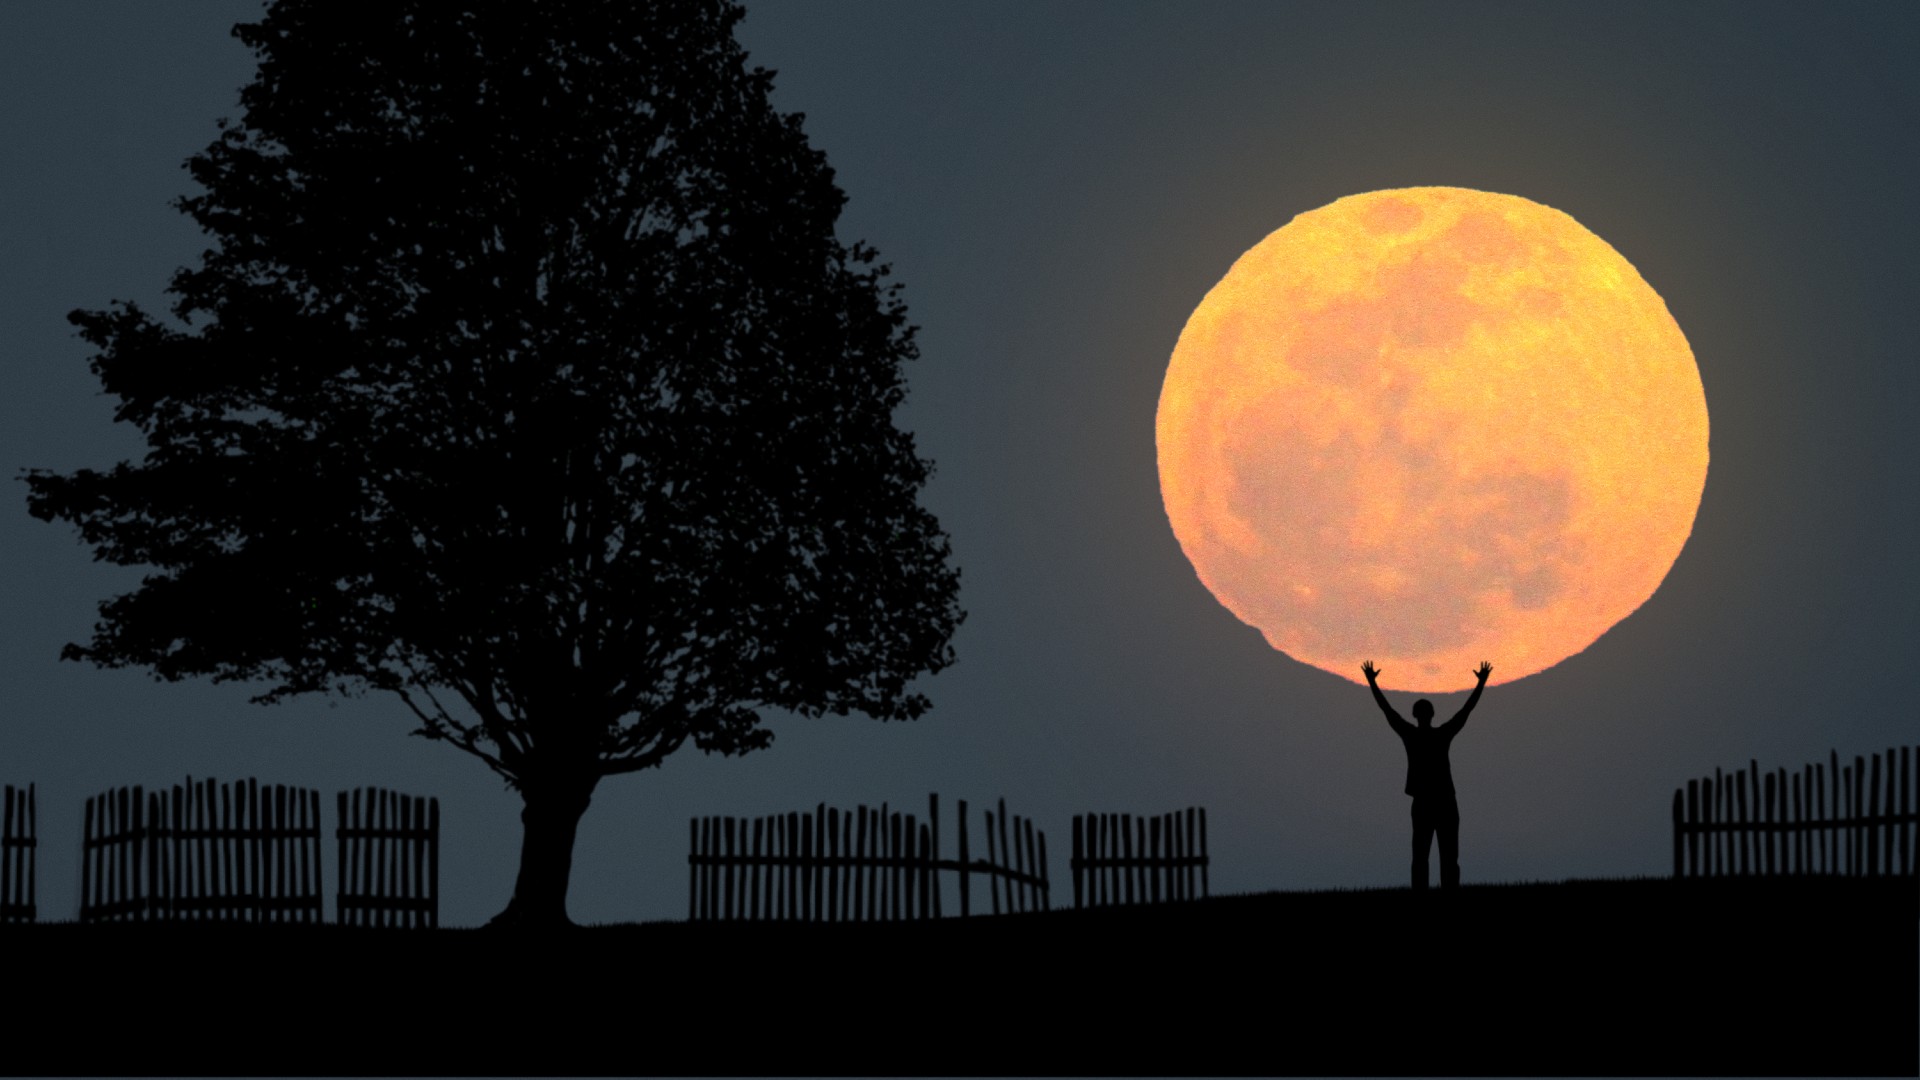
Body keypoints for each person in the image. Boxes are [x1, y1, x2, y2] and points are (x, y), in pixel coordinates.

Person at [1360, 659, 1492, 890]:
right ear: (1430, 714)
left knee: (1427, 857)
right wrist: (1481, 683)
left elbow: (1387, 711)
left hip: (1430, 802)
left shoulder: (1414, 735)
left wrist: (1372, 682)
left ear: (1416, 715)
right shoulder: (1439, 735)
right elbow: (1465, 711)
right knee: (1442, 857)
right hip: (1438, 802)